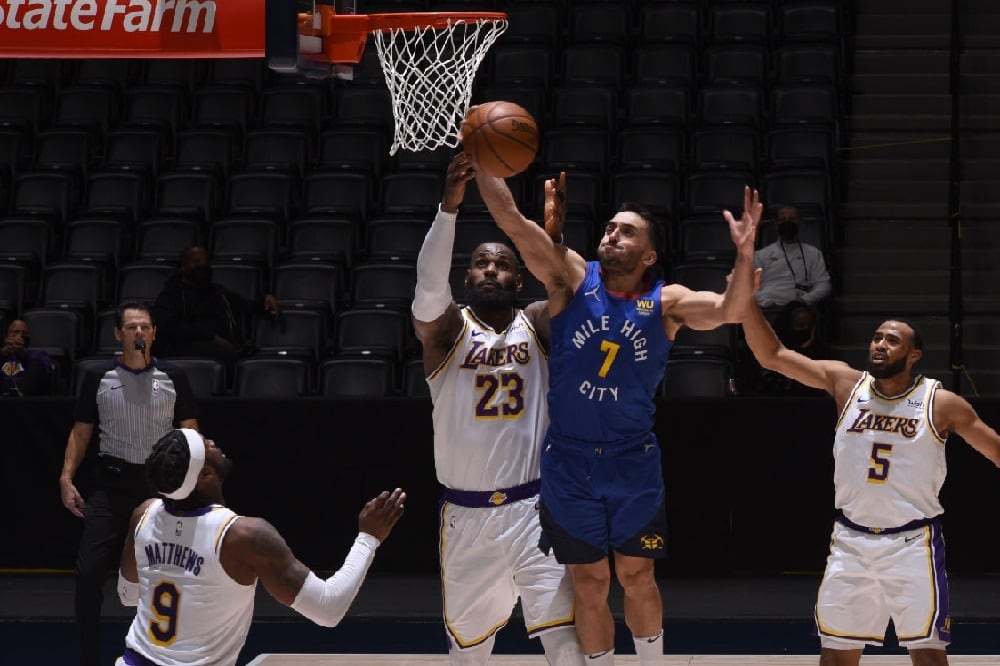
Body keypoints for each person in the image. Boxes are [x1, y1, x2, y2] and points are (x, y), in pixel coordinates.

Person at [471, 163, 761, 664]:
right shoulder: (573, 276)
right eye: (609, 227)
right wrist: (480, 154)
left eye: (626, 231)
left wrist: (744, 252)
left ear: (648, 254)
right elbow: (512, 220)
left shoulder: (665, 300)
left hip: (632, 460)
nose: (612, 234)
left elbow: (730, 311)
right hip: (569, 461)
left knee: (637, 574)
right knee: (589, 581)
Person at [741, 299, 1000, 666]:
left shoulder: (941, 404)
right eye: (876, 337)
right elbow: (772, 355)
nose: (880, 344)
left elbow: (996, 451)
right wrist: (747, 302)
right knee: (835, 657)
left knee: (927, 655)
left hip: (912, 544)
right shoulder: (845, 384)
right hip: (851, 542)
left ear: (914, 355)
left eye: (892, 340)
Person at [411, 153, 584, 665]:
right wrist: (448, 207)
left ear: (518, 279)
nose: (491, 268)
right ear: (467, 276)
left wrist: (551, 244)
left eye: (503, 263)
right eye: (482, 262)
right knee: (469, 652)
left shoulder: (537, 323)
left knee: (564, 641)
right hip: (466, 516)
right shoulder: (447, 334)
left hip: (535, 510)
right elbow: (426, 291)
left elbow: (566, 290)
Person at [115, 428, 406, 666]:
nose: (213, 441)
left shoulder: (144, 514)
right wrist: (369, 537)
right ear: (204, 476)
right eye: (206, 445)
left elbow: (128, 596)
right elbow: (329, 609)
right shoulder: (243, 537)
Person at [59, 302, 200, 666]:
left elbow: (190, 431)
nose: (139, 333)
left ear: (154, 334)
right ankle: (89, 658)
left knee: (173, 572)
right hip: (111, 484)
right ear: (118, 334)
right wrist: (66, 477)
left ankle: (174, 653)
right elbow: (80, 432)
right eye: (132, 327)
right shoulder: (97, 377)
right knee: (89, 573)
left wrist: (192, 477)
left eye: (145, 327)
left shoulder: (173, 377)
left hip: (159, 489)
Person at [152, 246, 281, 370]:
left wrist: (266, 301)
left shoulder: (218, 292)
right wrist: (211, 337)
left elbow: (247, 306)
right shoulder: (172, 294)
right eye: (196, 261)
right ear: (184, 267)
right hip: (185, 348)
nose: (202, 265)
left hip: (224, 347)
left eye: (206, 261)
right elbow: (167, 326)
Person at [753, 204, 832, 310]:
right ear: (776, 224)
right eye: (783, 219)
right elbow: (750, 288)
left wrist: (805, 299)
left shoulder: (814, 253)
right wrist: (765, 302)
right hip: (769, 308)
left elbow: (824, 285)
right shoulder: (761, 255)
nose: (787, 222)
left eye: (792, 219)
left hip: (800, 307)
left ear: (801, 223)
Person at [0, 318, 54, 396]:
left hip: (26, 397)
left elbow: (44, 373)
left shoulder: (39, 355)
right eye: (16, 332)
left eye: (24, 333)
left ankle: (19, 396)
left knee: (38, 364)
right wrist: (3, 354)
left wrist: (23, 355)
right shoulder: (2, 353)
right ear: (7, 336)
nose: (20, 336)